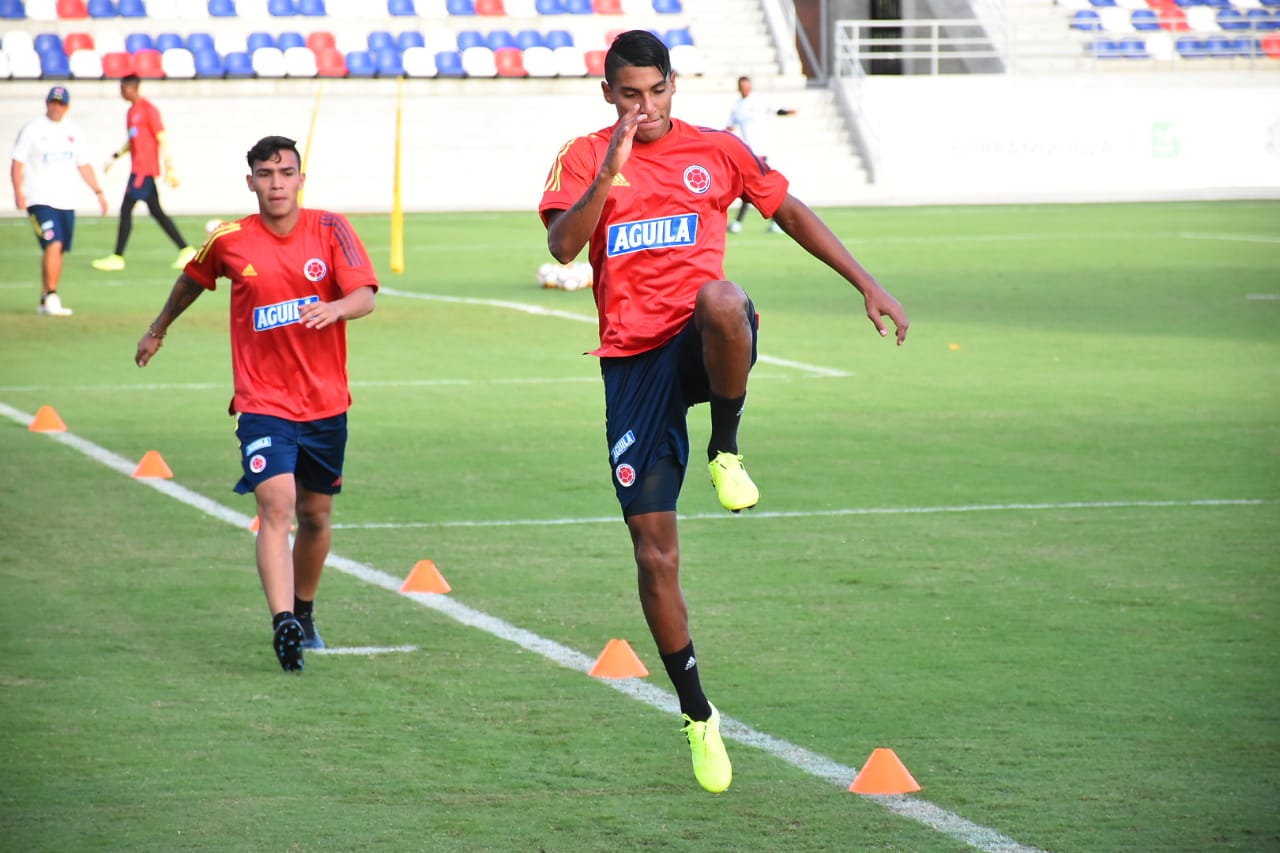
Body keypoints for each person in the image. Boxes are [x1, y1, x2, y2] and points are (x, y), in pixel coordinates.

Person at [539, 31, 908, 794]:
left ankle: (725, 448)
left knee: (722, 297)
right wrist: (611, 166)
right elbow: (564, 246)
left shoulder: (720, 151)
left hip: (702, 342)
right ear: (608, 94)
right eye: (629, 95)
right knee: (654, 553)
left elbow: (790, 210)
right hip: (632, 367)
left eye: (656, 91)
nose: (644, 107)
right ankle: (698, 712)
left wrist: (865, 283)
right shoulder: (583, 155)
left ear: (674, 86)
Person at [134, 135, 378, 673]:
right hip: (262, 401)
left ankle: (305, 613)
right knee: (276, 506)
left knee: (316, 517)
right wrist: (158, 329)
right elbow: (191, 281)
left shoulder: (331, 228)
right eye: (265, 174)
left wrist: (336, 308)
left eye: (285, 173)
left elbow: (366, 295)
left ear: (300, 179)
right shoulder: (229, 239)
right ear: (251, 182)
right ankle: (283, 622)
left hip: (325, 402)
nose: (276, 183)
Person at [9, 85, 109, 316]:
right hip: (40, 198)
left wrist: (98, 191)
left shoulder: (74, 131)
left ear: (67, 107)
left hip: (66, 200)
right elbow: (17, 162)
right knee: (53, 244)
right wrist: (18, 191)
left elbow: (83, 164)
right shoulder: (33, 130)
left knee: (60, 247)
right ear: (46, 103)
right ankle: (52, 294)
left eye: (60, 103)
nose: (56, 107)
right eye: (52, 102)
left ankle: (45, 298)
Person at [93, 74, 196, 273]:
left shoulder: (149, 110)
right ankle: (186, 250)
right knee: (157, 212)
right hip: (139, 169)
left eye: (123, 88)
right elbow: (132, 141)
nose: (121, 92)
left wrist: (169, 166)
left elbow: (162, 138)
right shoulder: (131, 112)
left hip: (144, 170)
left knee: (126, 209)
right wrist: (115, 156)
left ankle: (117, 257)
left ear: (133, 88)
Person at [724, 75, 795, 234]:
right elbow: (729, 127)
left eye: (747, 86)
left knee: (752, 188)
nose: (745, 89)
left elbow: (777, 110)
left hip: (761, 152)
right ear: (739, 87)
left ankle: (740, 223)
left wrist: (788, 112)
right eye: (742, 86)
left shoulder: (760, 101)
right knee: (753, 188)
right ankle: (774, 223)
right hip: (748, 153)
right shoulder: (737, 107)